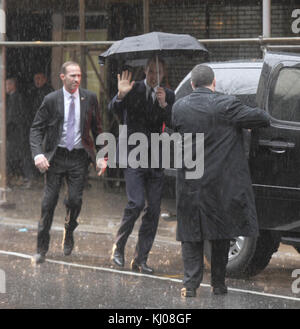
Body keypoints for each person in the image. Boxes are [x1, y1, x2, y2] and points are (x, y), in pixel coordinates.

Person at [172, 64, 271, 297]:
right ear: (213, 83)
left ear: (193, 84)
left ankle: (190, 284)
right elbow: (262, 118)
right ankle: (218, 284)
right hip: (220, 183)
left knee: (190, 233)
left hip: (190, 182)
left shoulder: (179, 107)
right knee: (220, 233)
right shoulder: (227, 104)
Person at [30, 61, 103, 265]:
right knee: (48, 203)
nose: (76, 79)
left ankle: (69, 230)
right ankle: (41, 248)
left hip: (79, 157)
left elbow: (98, 129)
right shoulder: (51, 100)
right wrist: (38, 154)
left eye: (79, 75)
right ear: (62, 77)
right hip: (56, 157)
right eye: (72, 75)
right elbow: (36, 129)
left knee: (75, 201)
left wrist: (102, 156)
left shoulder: (89, 98)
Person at [109, 57, 175, 274]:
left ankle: (141, 258)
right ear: (145, 72)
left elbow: (174, 122)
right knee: (136, 203)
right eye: (150, 71)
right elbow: (114, 109)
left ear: (163, 75)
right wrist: (120, 94)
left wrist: (164, 105)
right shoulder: (133, 89)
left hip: (155, 158)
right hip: (134, 154)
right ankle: (118, 247)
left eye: (158, 72)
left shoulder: (168, 94)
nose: (153, 76)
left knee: (154, 210)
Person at [5, 77, 30, 186]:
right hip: (15, 132)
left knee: (19, 155)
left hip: (16, 132)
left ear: (12, 85)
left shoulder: (16, 98)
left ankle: (25, 177)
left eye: (7, 85)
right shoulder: (12, 98)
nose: (5, 88)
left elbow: (13, 117)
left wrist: (6, 127)